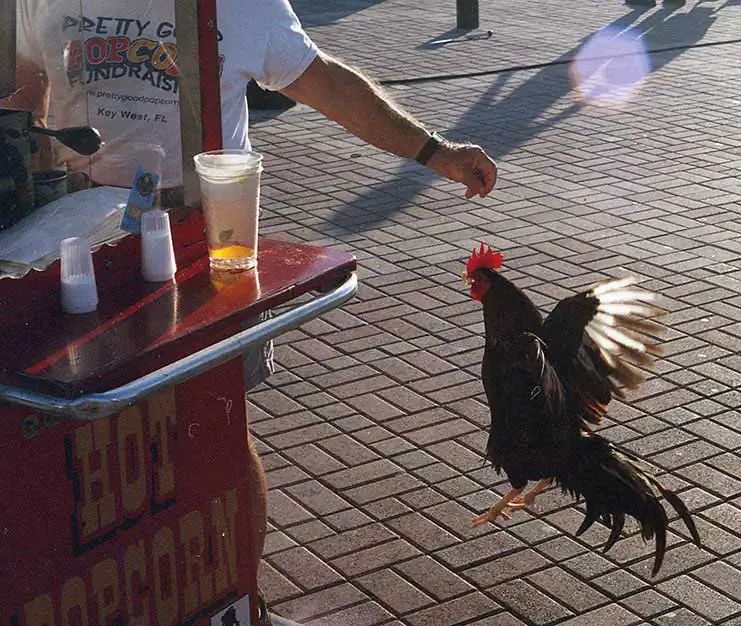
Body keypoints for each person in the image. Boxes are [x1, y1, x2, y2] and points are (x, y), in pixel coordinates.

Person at [3, 0, 498, 622]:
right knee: (82, 451)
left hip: (198, 245)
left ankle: (243, 602)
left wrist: (435, 152)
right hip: (71, 246)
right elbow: (27, 88)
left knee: (218, 432)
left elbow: (323, 81)